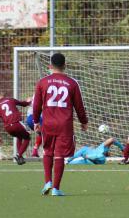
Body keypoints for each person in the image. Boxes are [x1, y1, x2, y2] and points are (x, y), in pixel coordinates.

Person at [33, 52, 88, 196]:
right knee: (59, 155)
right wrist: (84, 122)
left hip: (48, 123)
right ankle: (56, 189)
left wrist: (35, 121)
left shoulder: (42, 82)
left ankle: (47, 182)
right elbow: (79, 106)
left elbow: (36, 105)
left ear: (50, 65)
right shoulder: (72, 83)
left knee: (47, 151)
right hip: (64, 124)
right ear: (65, 65)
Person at [0, 92, 31, 165]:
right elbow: (23, 104)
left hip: (8, 128)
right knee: (27, 137)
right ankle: (18, 155)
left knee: (20, 136)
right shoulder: (10, 100)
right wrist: (29, 101)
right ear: (3, 95)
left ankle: (20, 157)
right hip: (16, 123)